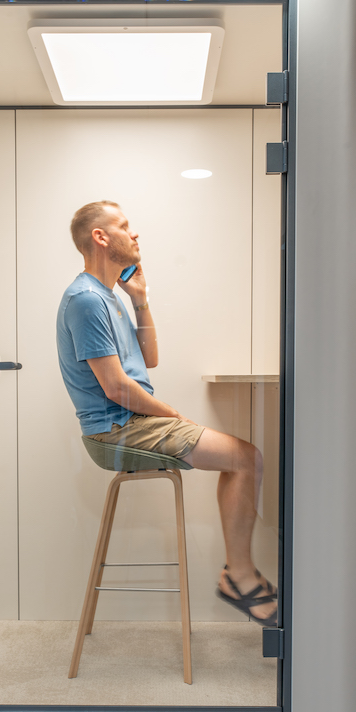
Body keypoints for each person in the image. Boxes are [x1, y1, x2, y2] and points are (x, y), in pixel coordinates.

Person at [57, 201, 277, 627]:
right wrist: (175, 415)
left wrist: (139, 299)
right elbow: (117, 387)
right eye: (124, 226)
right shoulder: (85, 299)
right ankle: (240, 577)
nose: (135, 234)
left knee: (244, 459)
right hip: (115, 431)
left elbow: (150, 359)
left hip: (131, 424)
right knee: (247, 458)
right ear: (100, 237)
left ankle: (238, 574)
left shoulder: (109, 297)